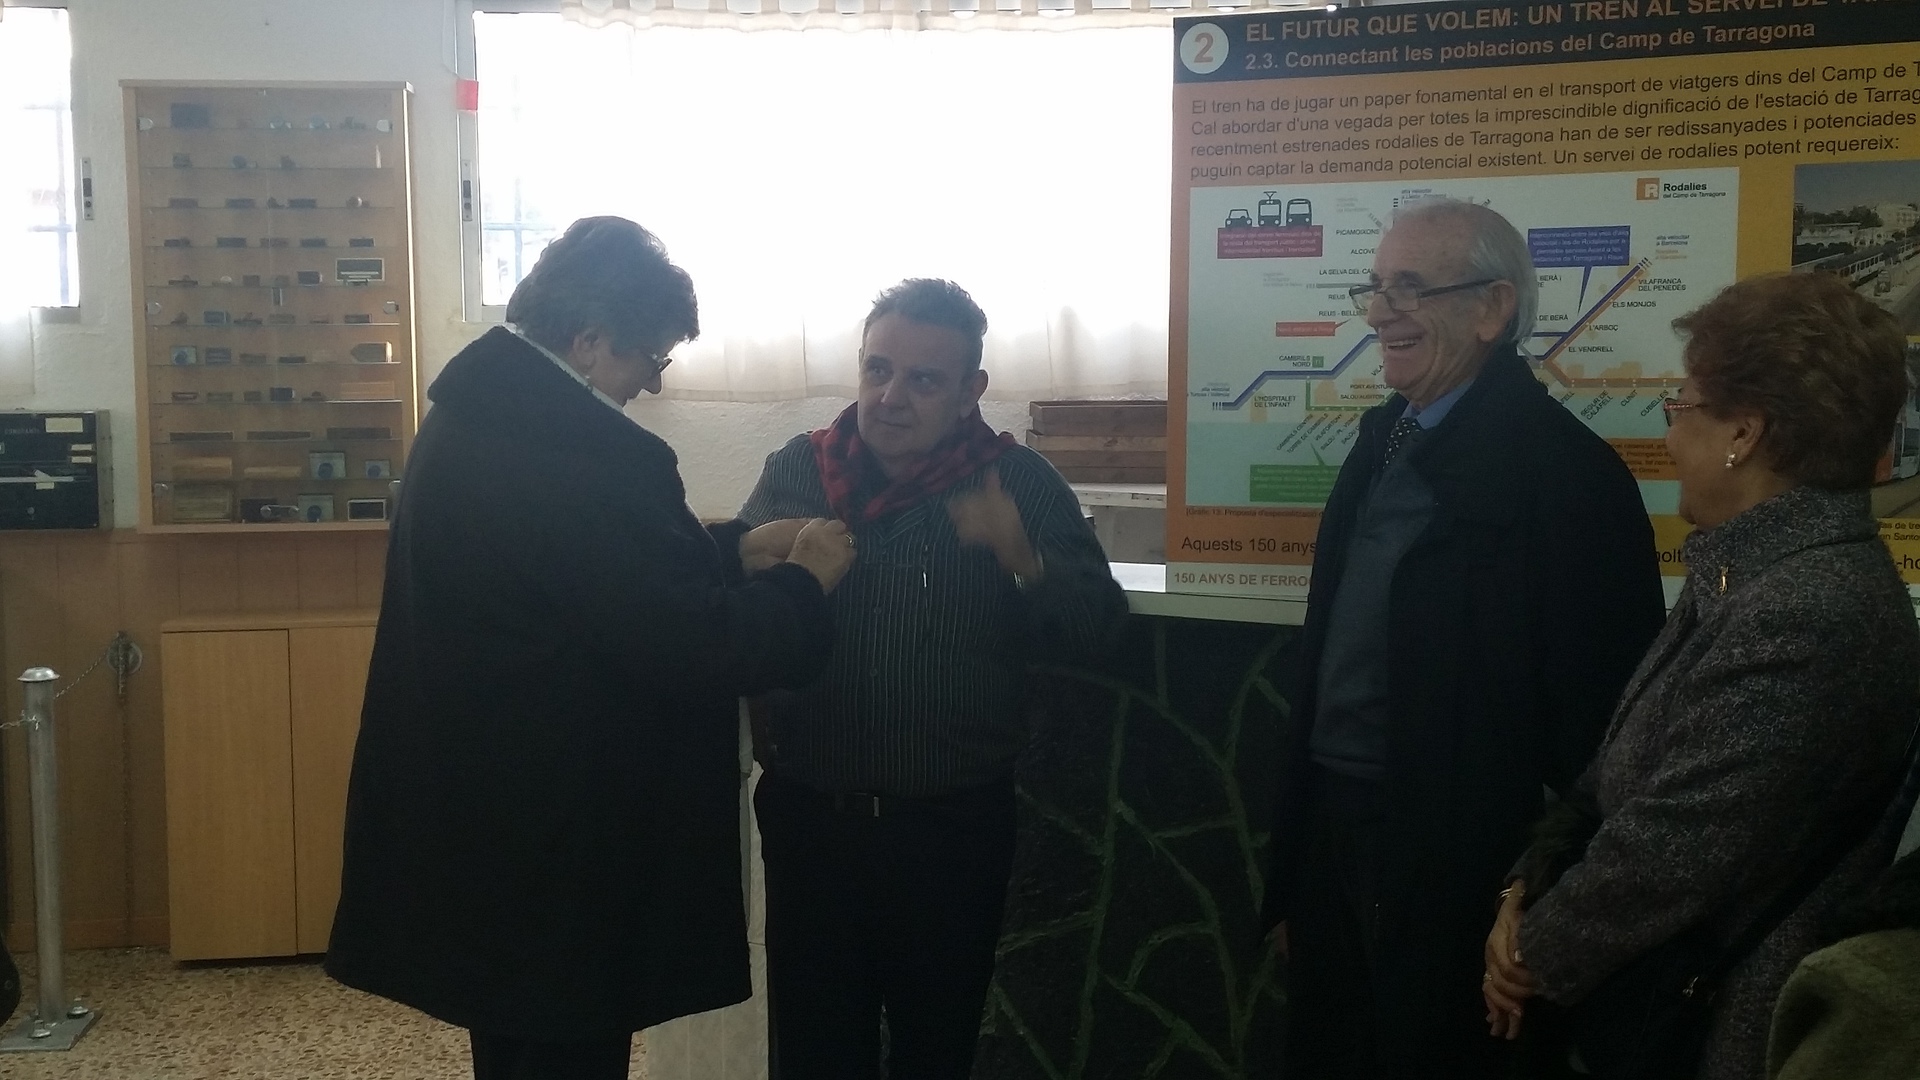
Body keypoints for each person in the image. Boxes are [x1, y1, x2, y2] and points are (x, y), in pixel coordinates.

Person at [325, 216, 856, 1080]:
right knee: (562, 1052)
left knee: (515, 1045)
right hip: (565, 845)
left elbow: (589, 587)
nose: (653, 381)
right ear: (588, 340)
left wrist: (731, 552)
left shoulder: (477, 418)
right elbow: (695, 647)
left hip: (492, 819)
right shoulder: (586, 454)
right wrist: (804, 582)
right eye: (650, 356)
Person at [1263, 199, 1666, 1078]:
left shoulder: (1568, 478)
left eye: (1410, 288)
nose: (1381, 312)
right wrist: (1296, 871)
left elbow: (1605, 731)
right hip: (1338, 833)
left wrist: (1540, 892)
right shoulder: (1381, 440)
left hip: (1462, 869)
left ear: (1492, 309)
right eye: (1377, 288)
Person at [1485, 270, 1920, 1080]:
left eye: (1681, 407)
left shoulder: (1806, 609)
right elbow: (1614, 772)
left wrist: (1529, 951)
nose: (1670, 437)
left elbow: (1676, 849)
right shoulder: (1746, 570)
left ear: (1743, 434)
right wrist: (1526, 885)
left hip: (1715, 1028)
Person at [738, 278, 1128, 1080]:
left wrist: (1023, 560)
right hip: (813, 823)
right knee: (814, 1052)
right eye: (877, 369)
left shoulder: (1014, 482)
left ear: (969, 390)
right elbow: (735, 621)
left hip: (951, 833)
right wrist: (751, 560)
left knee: (937, 1049)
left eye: (923, 379)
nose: (891, 397)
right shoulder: (799, 469)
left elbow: (1100, 630)